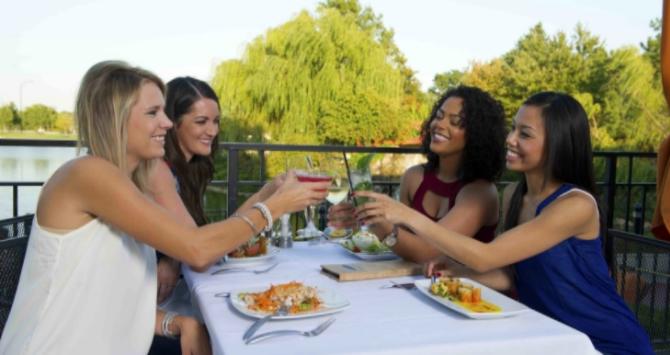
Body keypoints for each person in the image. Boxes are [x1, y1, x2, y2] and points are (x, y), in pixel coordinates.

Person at [0, 61, 328, 355]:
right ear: (115, 117)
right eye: (153, 112)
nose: (168, 123)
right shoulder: (87, 174)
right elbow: (197, 250)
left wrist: (175, 323)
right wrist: (276, 205)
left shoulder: (127, 181)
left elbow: (108, 294)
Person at [355, 92, 653, 355]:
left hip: (601, 343)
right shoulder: (513, 195)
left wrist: (406, 215)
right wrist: (458, 273)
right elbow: (512, 275)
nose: (510, 139)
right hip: (550, 336)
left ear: (558, 143)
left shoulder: (576, 205)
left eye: (525, 134)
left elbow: (486, 256)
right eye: (513, 129)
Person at [329, 85, 506, 263]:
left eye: (455, 122)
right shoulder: (414, 177)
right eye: (439, 116)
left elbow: (427, 253)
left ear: (478, 135)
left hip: (460, 289)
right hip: (413, 283)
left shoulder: (480, 194)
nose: (439, 125)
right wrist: (365, 218)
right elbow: (401, 242)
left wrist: (382, 224)